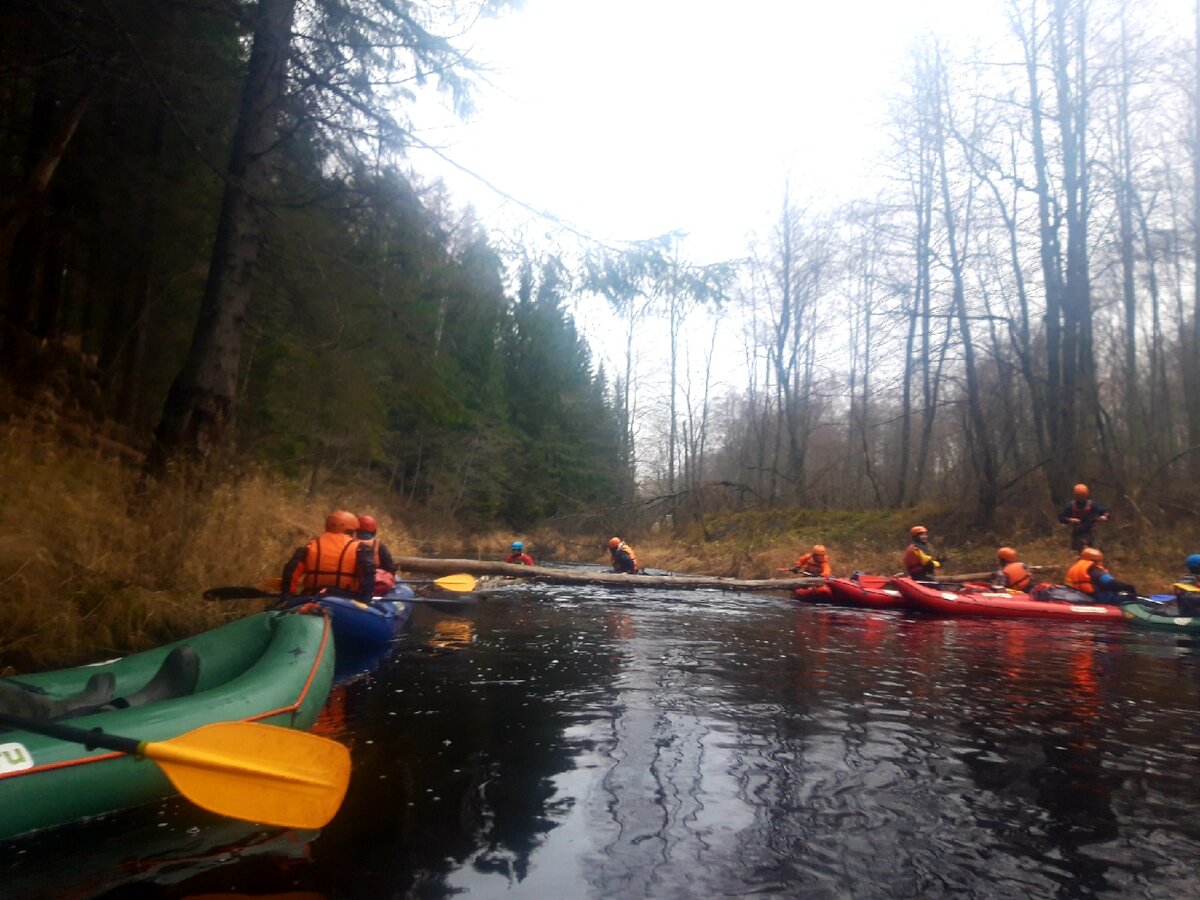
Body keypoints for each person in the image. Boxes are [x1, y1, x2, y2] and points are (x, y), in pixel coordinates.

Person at [280, 509, 375, 604]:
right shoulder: (358, 548)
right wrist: (366, 600)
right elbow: (367, 573)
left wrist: (288, 596)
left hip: (311, 598)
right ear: (350, 531)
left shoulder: (310, 546)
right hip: (345, 602)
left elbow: (290, 571)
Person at [1064, 547, 1136, 604]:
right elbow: (1111, 583)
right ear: (1096, 560)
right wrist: (1129, 587)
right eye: (1100, 561)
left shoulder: (1074, 568)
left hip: (1081, 596)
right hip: (1099, 598)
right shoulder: (1094, 569)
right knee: (1130, 599)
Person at [1058, 483, 1111, 551]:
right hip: (1077, 534)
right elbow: (1061, 518)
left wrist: (1105, 516)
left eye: (1083, 496)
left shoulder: (1092, 505)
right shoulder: (1070, 506)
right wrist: (1070, 520)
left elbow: (1106, 512)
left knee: (1095, 552)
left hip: (1091, 532)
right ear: (1075, 496)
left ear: (1086, 495)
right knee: (1080, 553)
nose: (1081, 498)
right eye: (1079, 496)